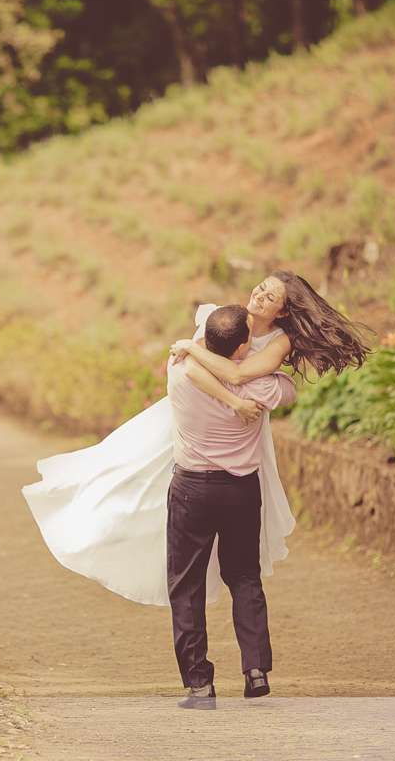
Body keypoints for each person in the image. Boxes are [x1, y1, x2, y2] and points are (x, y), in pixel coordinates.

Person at [22, 270, 369, 611]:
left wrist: (191, 347)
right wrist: (233, 400)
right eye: (261, 288)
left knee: (223, 510)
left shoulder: (280, 342)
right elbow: (191, 370)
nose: (259, 297)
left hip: (235, 432)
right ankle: (105, 529)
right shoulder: (229, 318)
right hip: (195, 415)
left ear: (282, 311)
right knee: (134, 472)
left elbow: (236, 372)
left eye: (270, 297)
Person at [166, 304, 296, 709]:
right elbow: (290, 391)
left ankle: (200, 687)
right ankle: (255, 671)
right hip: (240, 491)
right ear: (242, 349)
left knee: (186, 586)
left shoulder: (178, 368)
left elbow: (195, 358)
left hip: (191, 489)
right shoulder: (264, 388)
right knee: (244, 577)